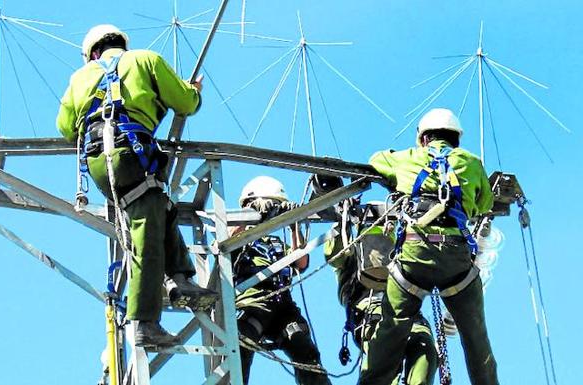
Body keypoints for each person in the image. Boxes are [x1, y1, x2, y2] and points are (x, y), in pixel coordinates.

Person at [56, 24, 217, 347]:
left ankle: (181, 278)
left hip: (100, 163)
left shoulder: (80, 78)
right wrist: (194, 92)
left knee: (158, 205)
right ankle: (144, 321)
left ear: (93, 53)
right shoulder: (146, 60)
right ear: (121, 45)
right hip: (133, 153)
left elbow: (65, 128)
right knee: (147, 232)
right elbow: (184, 103)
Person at [361, 108, 498, 385]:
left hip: (413, 257)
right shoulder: (472, 162)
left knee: (391, 331)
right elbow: (485, 204)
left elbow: (375, 160)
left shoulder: (407, 158)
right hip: (456, 260)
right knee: (476, 337)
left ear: (423, 138)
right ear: (456, 140)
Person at [230, 176, 332, 385]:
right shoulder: (241, 239)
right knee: (240, 350)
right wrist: (252, 214)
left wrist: (294, 223)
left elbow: (301, 262)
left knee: (306, 352)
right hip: (254, 304)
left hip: (283, 308)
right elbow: (226, 241)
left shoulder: (277, 243)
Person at [323, 201, 437, 385]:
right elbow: (334, 254)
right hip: (371, 314)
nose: (378, 251)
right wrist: (341, 220)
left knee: (424, 347)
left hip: (407, 314)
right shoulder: (349, 256)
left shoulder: (400, 253)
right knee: (385, 363)